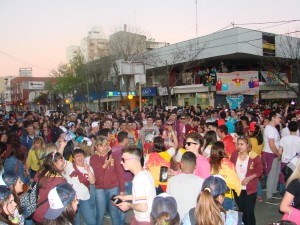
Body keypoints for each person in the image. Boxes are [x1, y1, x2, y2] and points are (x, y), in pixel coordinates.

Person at [87, 136, 125, 225]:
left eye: (105, 145)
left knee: (115, 212)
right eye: (101, 146)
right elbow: (96, 175)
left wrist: (122, 190)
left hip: (114, 189)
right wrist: (105, 164)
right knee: (100, 213)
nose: (103, 148)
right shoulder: (93, 158)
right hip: (99, 189)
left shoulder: (114, 156)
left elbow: (120, 173)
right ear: (96, 146)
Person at [115, 145, 156, 225]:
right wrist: (124, 198)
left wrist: (128, 205)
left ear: (133, 160)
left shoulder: (138, 179)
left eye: (123, 160)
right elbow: (143, 195)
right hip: (148, 217)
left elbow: (143, 207)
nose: (121, 162)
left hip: (144, 220)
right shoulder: (145, 173)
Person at [230, 136, 263, 225]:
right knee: (242, 211)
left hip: (250, 189)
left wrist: (249, 177)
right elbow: (231, 167)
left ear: (247, 145)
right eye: (238, 144)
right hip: (238, 188)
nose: (239, 146)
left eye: (242, 144)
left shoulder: (254, 156)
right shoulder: (234, 154)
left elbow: (259, 171)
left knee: (249, 211)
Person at [167, 152, 203, 219]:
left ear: (181, 164)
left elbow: (168, 203)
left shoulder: (171, 181)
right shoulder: (201, 182)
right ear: (195, 166)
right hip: (193, 220)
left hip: (176, 220)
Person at [64, 148, 96, 225]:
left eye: (81, 155)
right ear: (73, 159)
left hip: (85, 199)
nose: (80, 158)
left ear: (84, 157)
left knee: (91, 222)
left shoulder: (89, 167)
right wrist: (62, 146)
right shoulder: (69, 166)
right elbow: (58, 159)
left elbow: (92, 181)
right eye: (77, 156)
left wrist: (88, 170)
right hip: (73, 200)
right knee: (76, 222)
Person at [210, 141, 241, 210]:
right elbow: (234, 180)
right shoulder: (228, 163)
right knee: (227, 218)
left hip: (213, 195)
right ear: (222, 150)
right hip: (226, 195)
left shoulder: (210, 163)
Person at [262, 111, 282, 205]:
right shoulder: (270, 129)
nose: (280, 119)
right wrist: (277, 153)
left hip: (274, 153)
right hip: (271, 153)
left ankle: (273, 192)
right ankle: (269, 196)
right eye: (278, 117)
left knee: (276, 174)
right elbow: (271, 144)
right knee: (271, 175)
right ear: (273, 118)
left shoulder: (273, 128)